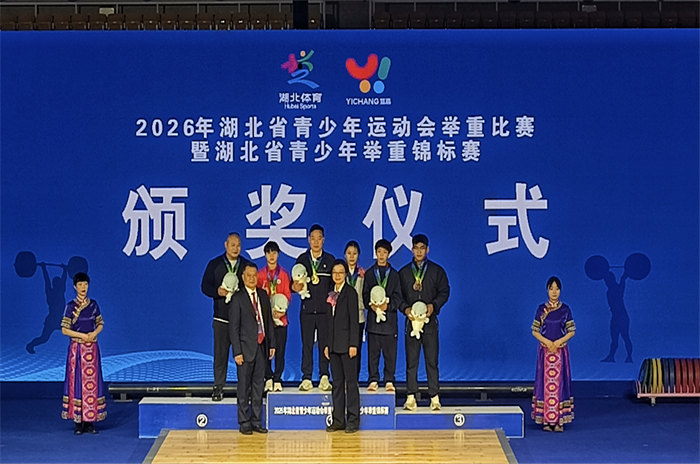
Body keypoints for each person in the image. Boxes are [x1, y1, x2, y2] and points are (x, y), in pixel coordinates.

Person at [398, 234, 450, 411]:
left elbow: (445, 292)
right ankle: (411, 397)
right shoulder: (404, 273)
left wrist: (433, 305)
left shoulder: (436, 271)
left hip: (430, 322)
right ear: (412, 249)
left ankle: (434, 397)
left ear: (427, 249)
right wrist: (405, 309)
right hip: (412, 323)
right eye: (416, 248)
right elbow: (398, 296)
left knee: (431, 360)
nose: (419, 251)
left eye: (422, 248)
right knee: (411, 361)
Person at [201, 232, 253, 401]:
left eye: (238, 245)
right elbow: (204, 286)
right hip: (221, 319)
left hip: (242, 320)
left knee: (243, 357)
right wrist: (217, 291)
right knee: (220, 356)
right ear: (226, 245)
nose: (235, 248)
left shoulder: (246, 265)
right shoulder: (215, 264)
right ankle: (218, 387)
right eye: (232, 245)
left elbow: (252, 286)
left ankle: (245, 389)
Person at [229, 262, 276, 435]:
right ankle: (244, 422)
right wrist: (237, 352)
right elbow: (233, 328)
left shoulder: (263, 295)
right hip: (245, 349)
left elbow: (268, 322)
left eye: (254, 275)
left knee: (258, 386)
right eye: (248, 275)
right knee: (244, 387)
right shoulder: (238, 298)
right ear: (243, 277)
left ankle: (256, 421)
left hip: (261, 347)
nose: (251, 278)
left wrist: (272, 344)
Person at [60, 272, 106, 435]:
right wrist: (82, 336)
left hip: (91, 350)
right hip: (77, 349)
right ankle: (78, 422)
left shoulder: (93, 305)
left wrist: (94, 333)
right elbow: (65, 330)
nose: (83, 287)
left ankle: (90, 421)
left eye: (85, 284)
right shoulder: (70, 307)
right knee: (77, 382)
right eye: (80, 285)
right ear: (75, 287)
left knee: (92, 383)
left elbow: (100, 323)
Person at [291, 224, 334, 391]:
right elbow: (294, 284)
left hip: (325, 311)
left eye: (319, 238)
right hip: (307, 310)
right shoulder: (302, 260)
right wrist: (294, 287)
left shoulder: (330, 260)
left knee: (325, 344)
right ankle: (306, 377)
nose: (316, 242)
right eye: (313, 238)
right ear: (309, 240)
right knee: (307, 344)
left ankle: (324, 376)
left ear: (323, 240)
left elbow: (334, 286)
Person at [531, 276, 575, 432]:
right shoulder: (541, 309)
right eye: (551, 289)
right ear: (547, 290)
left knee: (560, 384)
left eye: (557, 289)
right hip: (546, 352)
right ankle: (546, 420)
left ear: (560, 290)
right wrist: (547, 342)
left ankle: (558, 421)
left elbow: (572, 331)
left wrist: (558, 342)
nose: (554, 292)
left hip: (560, 352)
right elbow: (534, 331)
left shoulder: (565, 310)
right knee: (545, 384)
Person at [324, 259, 360, 433]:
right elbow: (328, 322)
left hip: (347, 346)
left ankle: (353, 420)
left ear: (345, 274)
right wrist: (327, 345)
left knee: (351, 384)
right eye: (334, 272)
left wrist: (353, 344)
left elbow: (354, 320)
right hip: (333, 346)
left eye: (340, 272)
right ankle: (338, 419)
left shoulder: (350, 292)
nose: (337, 275)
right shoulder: (330, 293)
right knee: (337, 384)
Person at [363, 239, 403, 392]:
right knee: (373, 354)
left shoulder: (394, 275)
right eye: (379, 252)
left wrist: (389, 306)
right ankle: (373, 379)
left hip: (389, 323)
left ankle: (389, 380)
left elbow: (398, 297)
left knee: (390, 354)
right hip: (373, 322)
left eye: (384, 252)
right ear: (375, 253)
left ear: (389, 254)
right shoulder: (369, 274)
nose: (381, 255)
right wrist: (371, 305)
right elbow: (365, 295)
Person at [257, 241, 292, 392]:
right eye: (269, 253)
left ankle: (278, 378)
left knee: (280, 350)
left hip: (281, 319)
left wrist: (282, 311)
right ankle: (268, 377)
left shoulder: (283, 274)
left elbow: (288, 295)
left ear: (278, 254)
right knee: (265, 350)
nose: (271, 256)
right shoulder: (260, 275)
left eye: (274, 253)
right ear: (265, 255)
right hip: (265, 320)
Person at [344, 240, 365, 380]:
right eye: (349, 253)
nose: (352, 256)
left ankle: (354, 379)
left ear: (358, 255)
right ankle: (343, 379)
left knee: (356, 349)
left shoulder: (362, 274)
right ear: (345, 255)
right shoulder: (340, 272)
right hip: (342, 318)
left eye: (355, 253)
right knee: (342, 350)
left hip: (358, 316)